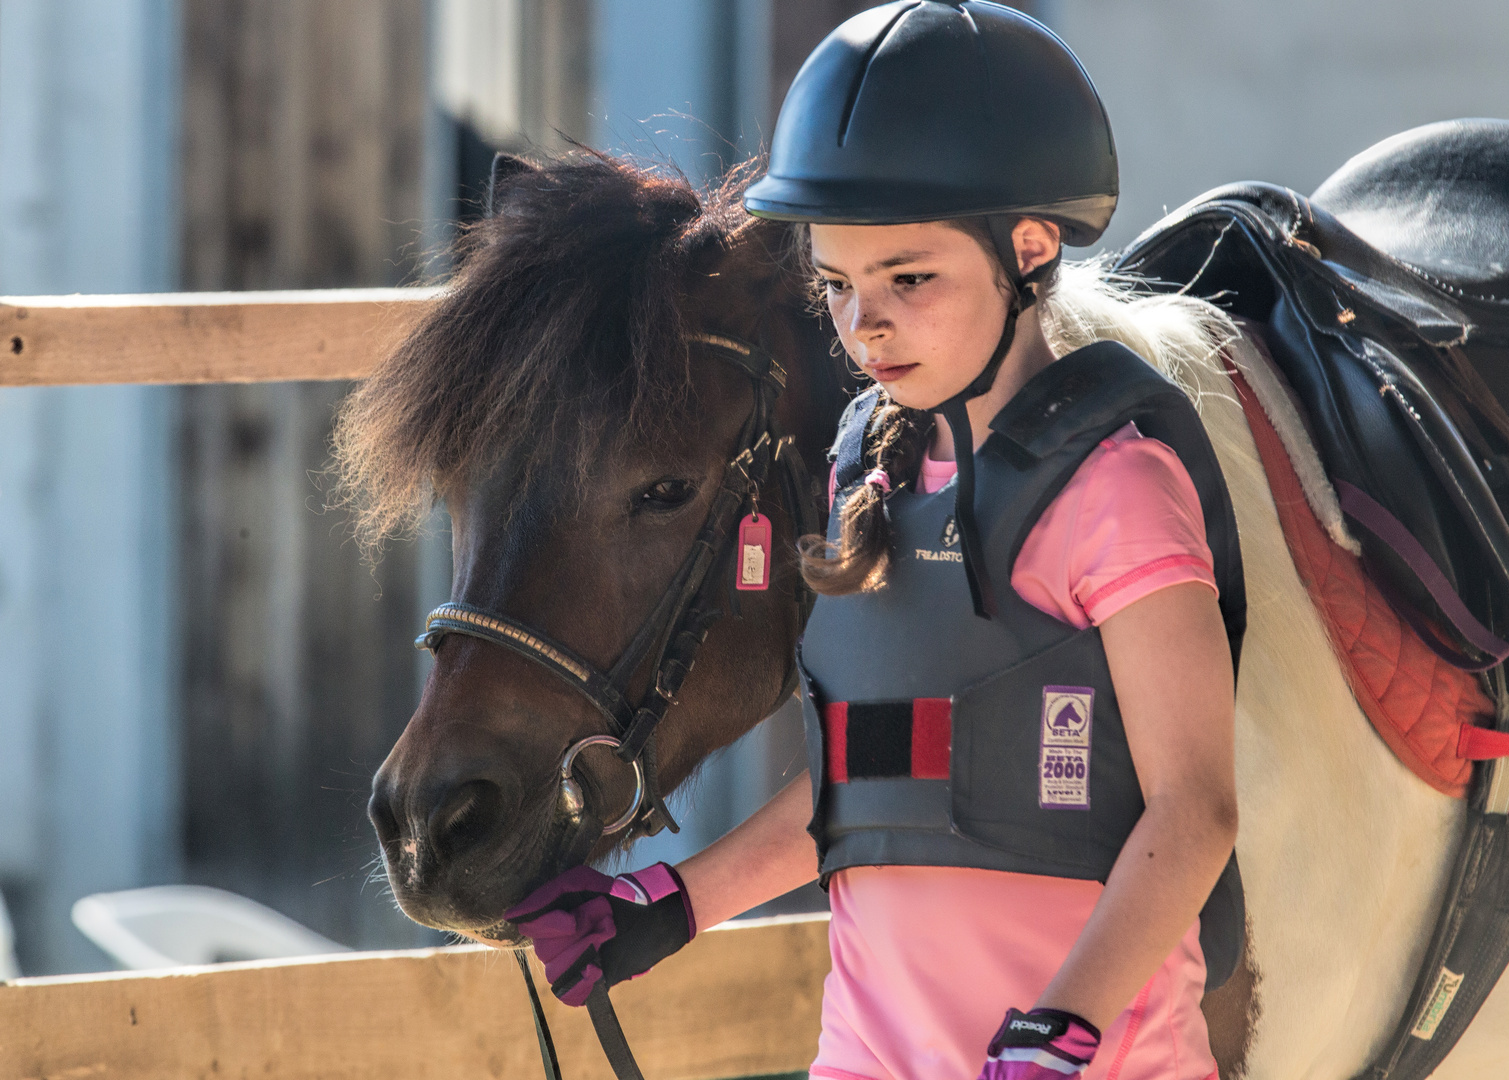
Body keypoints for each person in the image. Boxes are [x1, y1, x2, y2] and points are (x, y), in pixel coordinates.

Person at [506, 4, 1245, 1078]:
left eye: (910, 278)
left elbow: (1195, 811)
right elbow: (866, 786)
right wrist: (667, 905)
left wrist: (1062, 1034)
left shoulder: (1119, 485)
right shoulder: (868, 471)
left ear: (1029, 249)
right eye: (839, 285)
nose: (868, 325)